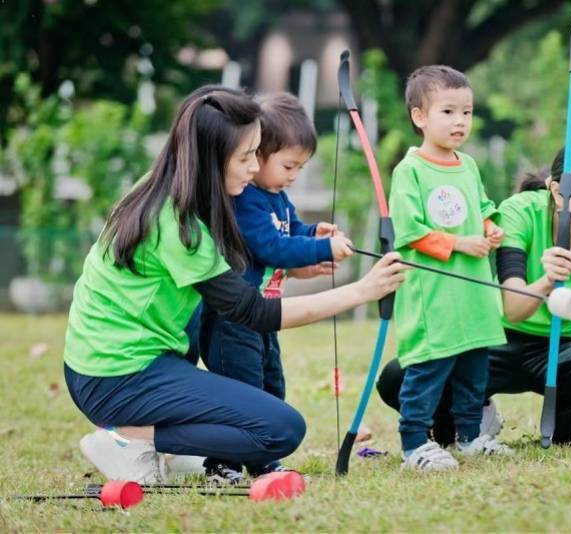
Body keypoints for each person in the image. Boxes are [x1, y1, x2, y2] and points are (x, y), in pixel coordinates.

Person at [64, 85, 407, 484]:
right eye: (245, 157)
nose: (252, 168)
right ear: (212, 157)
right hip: (116, 375)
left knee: (261, 416)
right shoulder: (176, 223)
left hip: (122, 364)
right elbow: (252, 311)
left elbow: (230, 272)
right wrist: (361, 291)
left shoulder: (173, 189)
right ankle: (130, 438)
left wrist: (294, 269)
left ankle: (170, 444)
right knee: (280, 430)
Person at [378, 137, 571, 446]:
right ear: (558, 192)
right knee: (398, 378)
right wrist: (547, 282)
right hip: (501, 338)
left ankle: (562, 424)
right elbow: (512, 307)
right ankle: (469, 415)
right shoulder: (519, 213)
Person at [198, 92, 352, 482]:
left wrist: (313, 233)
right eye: (288, 165)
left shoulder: (277, 198)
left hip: (263, 319)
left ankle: (261, 458)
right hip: (234, 322)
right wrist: (319, 247)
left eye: (301, 167)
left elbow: (291, 232)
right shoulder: (247, 200)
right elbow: (271, 246)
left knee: (270, 386)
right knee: (240, 392)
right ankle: (222, 463)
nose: (293, 175)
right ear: (257, 154)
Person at [386, 65, 510, 471]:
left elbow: (483, 209)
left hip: (474, 295)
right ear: (419, 116)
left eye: (467, 113)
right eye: (448, 112)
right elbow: (409, 231)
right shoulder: (410, 171)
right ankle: (414, 445)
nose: (460, 122)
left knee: (474, 370)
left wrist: (491, 230)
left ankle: (471, 436)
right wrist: (461, 243)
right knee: (427, 371)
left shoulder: (468, 166)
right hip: (434, 299)